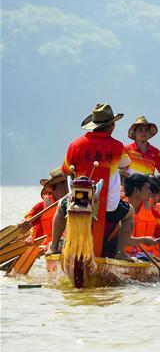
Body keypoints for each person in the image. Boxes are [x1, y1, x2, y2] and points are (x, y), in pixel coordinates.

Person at [51, 103, 132, 259]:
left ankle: (54, 247)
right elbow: (125, 164)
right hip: (108, 204)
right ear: (110, 126)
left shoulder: (75, 145)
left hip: (80, 199)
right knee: (129, 215)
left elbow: (66, 170)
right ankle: (121, 253)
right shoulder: (117, 146)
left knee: (61, 209)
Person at [22, 168, 68, 246]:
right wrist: (31, 237)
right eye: (65, 185)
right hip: (53, 249)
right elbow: (30, 224)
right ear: (53, 189)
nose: (68, 189)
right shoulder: (42, 206)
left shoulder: (79, 201)